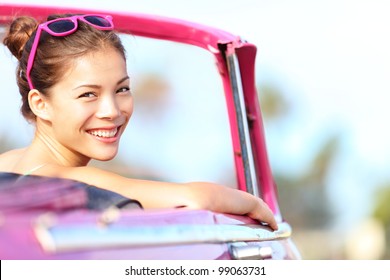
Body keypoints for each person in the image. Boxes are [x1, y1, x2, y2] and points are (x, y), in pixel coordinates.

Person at [0, 14, 277, 230]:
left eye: (122, 89)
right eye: (88, 94)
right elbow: (193, 199)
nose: (111, 110)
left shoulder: (9, 163)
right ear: (40, 104)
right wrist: (254, 203)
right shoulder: (66, 179)